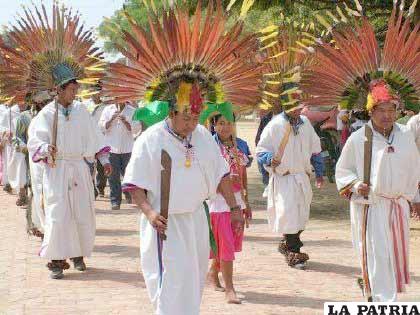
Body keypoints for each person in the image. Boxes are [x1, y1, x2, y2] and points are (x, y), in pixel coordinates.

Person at [336, 80, 420, 301]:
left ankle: (376, 289)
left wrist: (413, 198)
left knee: (392, 253)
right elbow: (343, 170)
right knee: (376, 252)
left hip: (398, 204)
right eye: (381, 110)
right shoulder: (359, 138)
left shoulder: (405, 136)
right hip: (371, 206)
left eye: (391, 110)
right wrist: (355, 185)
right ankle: (380, 299)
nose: (387, 115)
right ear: (371, 112)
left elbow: (414, 168)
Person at [28, 63, 111, 279]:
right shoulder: (47, 114)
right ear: (60, 89)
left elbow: (94, 136)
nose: (75, 93)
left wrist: (103, 158)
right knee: (58, 215)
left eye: (76, 90)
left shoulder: (81, 111)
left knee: (82, 213)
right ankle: (56, 260)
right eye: (71, 89)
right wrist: (47, 148)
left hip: (79, 169)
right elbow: (35, 141)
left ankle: (78, 255)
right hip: (57, 170)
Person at [256, 100, 324, 269]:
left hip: (302, 176)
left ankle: (287, 243)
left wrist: (319, 172)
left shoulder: (306, 123)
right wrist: (269, 160)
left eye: (298, 107)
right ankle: (295, 252)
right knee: (289, 213)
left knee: (301, 216)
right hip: (284, 178)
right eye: (292, 106)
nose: (296, 110)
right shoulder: (275, 124)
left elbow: (315, 148)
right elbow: (261, 150)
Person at [206, 113, 252, 304]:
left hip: (237, 202)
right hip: (218, 202)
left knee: (229, 243)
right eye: (221, 123)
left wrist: (246, 201)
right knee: (225, 244)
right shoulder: (208, 146)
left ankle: (213, 272)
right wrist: (223, 183)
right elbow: (206, 177)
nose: (225, 127)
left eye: (229, 123)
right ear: (213, 125)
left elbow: (243, 174)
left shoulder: (240, 145)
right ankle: (230, 289)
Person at [99, 101, 139, 209]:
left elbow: (136, 129)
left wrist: (126, 122)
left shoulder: (132, 110)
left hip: (127, 148)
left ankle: (130, 196)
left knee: (129, 175)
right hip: (111, 149)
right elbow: (101, 127)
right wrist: (111, 119)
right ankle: (115, 201)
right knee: (113, 177)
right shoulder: (108, 109)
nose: (118, 99)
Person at [407, 113, 420, 219]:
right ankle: (415, 209)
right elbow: (407, 144)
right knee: (415, 185)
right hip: (416, 161)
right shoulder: (414, 122)